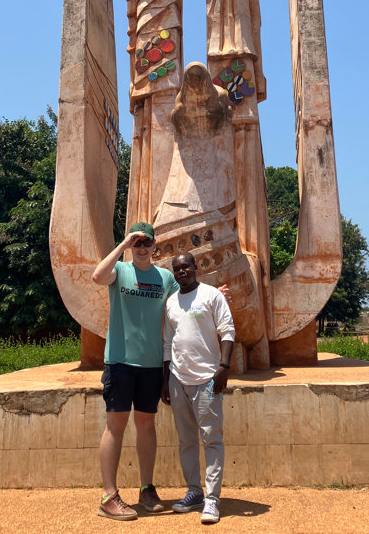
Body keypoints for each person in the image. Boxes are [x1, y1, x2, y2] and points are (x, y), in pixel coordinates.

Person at [93, 222, 229, 521]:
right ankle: (108, 495)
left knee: (146, 426)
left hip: (152, 364)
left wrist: (212, 296)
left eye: (146, 242)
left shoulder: (165, 277)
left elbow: (185, 296)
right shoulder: (121, 270)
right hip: (120, 360)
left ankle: (146, 488)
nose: (142, 247)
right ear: (131, 243)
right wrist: (122, 245)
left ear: (154, 245)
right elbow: (97, 276)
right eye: (137, 241)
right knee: (115, 426)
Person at [161, 252, 235, 525]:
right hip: (178, 379)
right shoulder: (171, 303)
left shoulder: (212, 296)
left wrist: (224, 367)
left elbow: (227, 331)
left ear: (195, 268)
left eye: (185, 267)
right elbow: (168, 344)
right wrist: (165, 380)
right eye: (177, 269)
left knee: (211, 440)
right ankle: (194, 491)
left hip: (207, 379)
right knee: (186, 441)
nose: (182, 272)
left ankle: (212, 499)